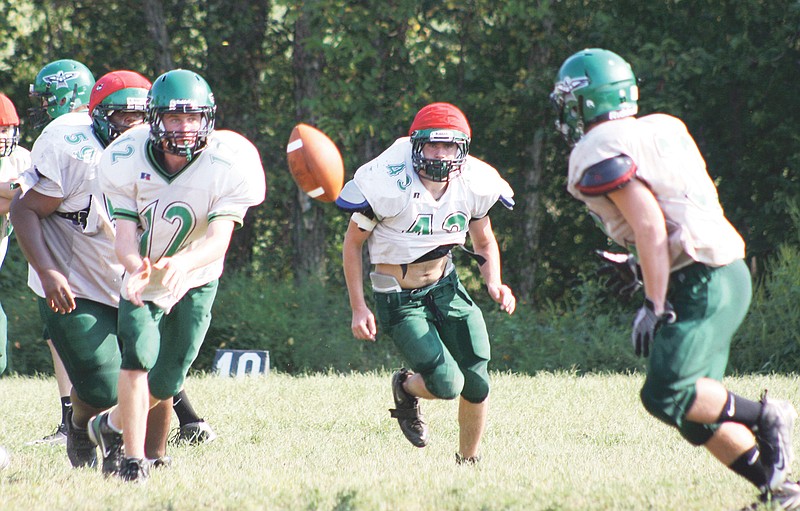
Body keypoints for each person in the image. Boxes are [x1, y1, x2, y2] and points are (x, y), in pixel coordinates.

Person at [550, 48, 799, 509]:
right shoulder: (661, 126)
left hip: (703, 279)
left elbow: (647, 225)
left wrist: (653, 301)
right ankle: (781, 491)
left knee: (667, 392)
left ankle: (767, 415)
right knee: (692, 413)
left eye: (569, 98)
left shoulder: (598, 146)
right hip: (718, 271)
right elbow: (671, 215)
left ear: (588, 99)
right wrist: (641, 266)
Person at [91, 69, 266, 481]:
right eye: (174, 118)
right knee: (137, 359)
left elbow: (218, 240)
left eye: (193, 118)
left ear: (208, 119)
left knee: (168, 378)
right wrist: (137, 269)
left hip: (196, 275)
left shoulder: (228, 161)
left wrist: (182, 265)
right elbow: (125, 239)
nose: (184, 128)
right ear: (155, 119)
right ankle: (133, 461)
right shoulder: (124, 158)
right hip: (147, 275)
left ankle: (111, 424)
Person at [337, 102, 516, 464]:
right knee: (448, 384)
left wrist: (494, 282)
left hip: (446, 286)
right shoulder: (389, 182)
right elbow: (352, 244)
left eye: (448, 146)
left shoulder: (472, 184)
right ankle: (405, 387)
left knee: (477, 375)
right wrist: (359, 306)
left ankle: (468, 463)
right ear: (416, 145)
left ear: (461, 150)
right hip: (399, 297)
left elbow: (483, 241)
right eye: (433, 145)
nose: (439, 154)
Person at [24, 58, 96, 446]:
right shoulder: (98, 126)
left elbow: (30, 202)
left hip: (80, 250)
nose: (42, 105)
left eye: (47, 96)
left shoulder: (60, 133)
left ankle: (76, 426)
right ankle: (188, 419)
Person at [0, 93, 32, 376]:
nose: (1, 136)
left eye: (5, 129)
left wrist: (13, 192)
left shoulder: (21, 157)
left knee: (0, 357)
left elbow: (24, 196)